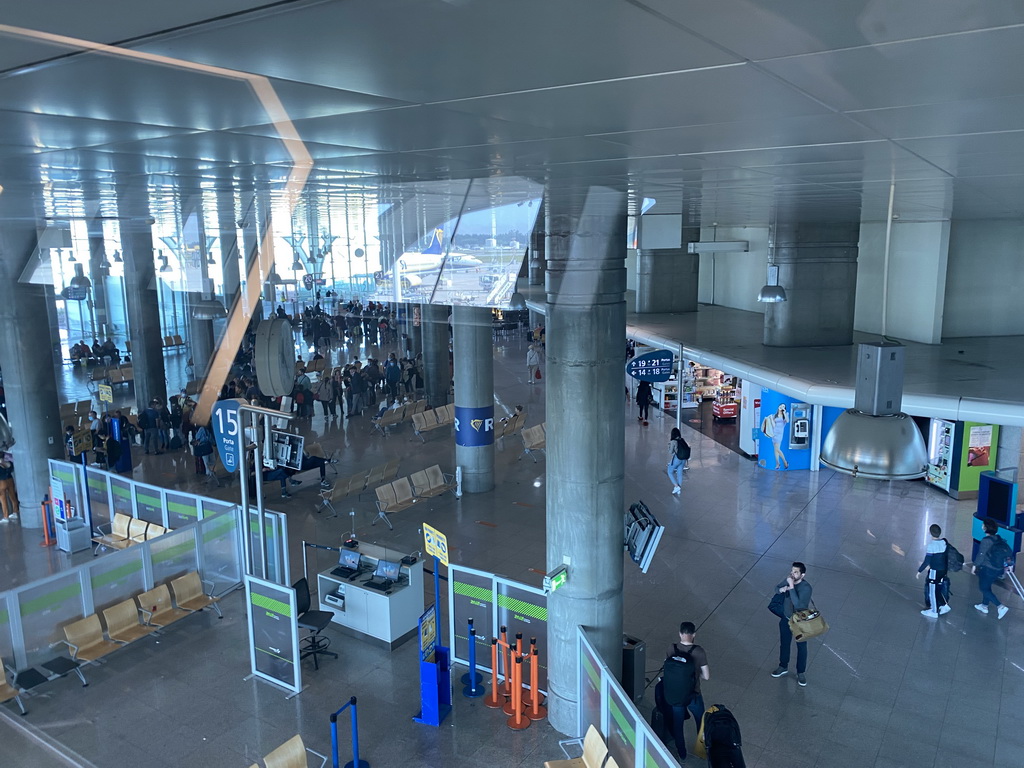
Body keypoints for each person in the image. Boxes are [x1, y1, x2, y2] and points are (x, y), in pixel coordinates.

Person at [661, 621, 709, 762]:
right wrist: (695, 673)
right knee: (701, 722)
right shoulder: (698, 651)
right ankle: (703, 749)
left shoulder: (672, 648)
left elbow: (667, 666)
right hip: (693, 694)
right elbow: (706, 676)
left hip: (675, 695)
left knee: (678, 724)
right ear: (694, 634)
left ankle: (682, 753)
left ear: (680, 633)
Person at [771, 562, 811, 686]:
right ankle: (783, 666)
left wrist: (791, 586)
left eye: (796, 572)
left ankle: (801, 672)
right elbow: (776, 588)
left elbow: (799, 604)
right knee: (784, 644)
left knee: (801, 647)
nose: (792, 574)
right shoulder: (789, 580)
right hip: (786, 618)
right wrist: (781, 589)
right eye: (792, 571)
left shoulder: (806, 588)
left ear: (802, 575)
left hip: (800, 622)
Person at [972, 518, 1010, 619]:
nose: (982, 526)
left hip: (987, 568)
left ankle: (1000, 606)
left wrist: (975, 566)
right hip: (997, 568)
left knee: (983, 588)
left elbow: (981, 555)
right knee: (987, 586)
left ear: (985, 528)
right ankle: (984, 606)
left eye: (983, 525)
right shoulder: (998, 538)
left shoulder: (986, 541)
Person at [916, 524, 950, 618]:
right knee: (937, 590)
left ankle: (934, 611)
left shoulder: (931, 545)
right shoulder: (944, 542)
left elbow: (927, 561)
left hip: (934, 571)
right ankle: (944, 605)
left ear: (930, 533)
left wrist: (919, 571)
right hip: (943, 570)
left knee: (932, 591)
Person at [761, 403, 789, 469]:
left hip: (780, 433)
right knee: (775, 449)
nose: (781, 407)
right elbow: (773, 425)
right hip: (774, 433)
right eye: (781, 405)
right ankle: (777, 463)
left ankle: (784, 461)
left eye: (783, 406)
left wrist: (784, 412)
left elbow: (787, 421)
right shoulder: (774, 416)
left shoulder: (785, 415)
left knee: (777, 449)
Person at [667, 427, 689, 495]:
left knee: (669, 471)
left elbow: (671, 452)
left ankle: (676, 486)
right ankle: (679, 489)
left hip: (677, 458)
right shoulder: (682, 440)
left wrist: (669, 446)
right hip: (684, 459)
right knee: (679, 473)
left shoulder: (673, 441)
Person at [0, 457, 18, 522]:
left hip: (1, 482)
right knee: (13, 497)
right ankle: (15, 512)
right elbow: (11, 468)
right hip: (10, 480)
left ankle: (6, 516)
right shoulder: (8, 461)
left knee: (3, 500)